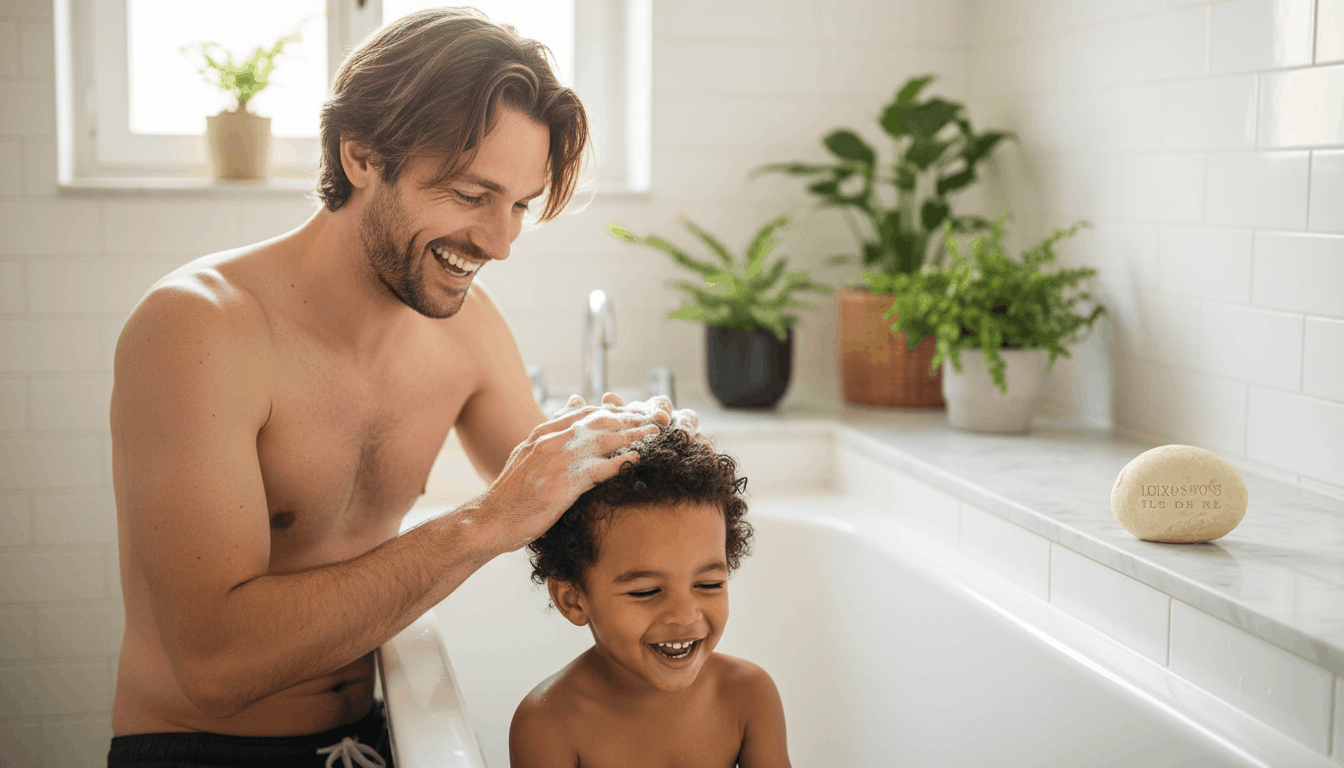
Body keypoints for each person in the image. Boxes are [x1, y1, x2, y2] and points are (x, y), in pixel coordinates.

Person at [106, 8, 695, 767]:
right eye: (471, 194)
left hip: (370, 737)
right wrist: (484, 520)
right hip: (203, 748)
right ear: (360, 156)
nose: (500, 243)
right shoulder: (200, 329)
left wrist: (644, 452)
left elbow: (565, 513)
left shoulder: (468, 327)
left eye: (519, 205)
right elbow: (215, 666)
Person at [510, 426, 791, 768]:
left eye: (709, 584)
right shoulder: (548, 724)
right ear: (573, 599)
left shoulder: (748, 696)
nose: (684, 615)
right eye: (646, 591)